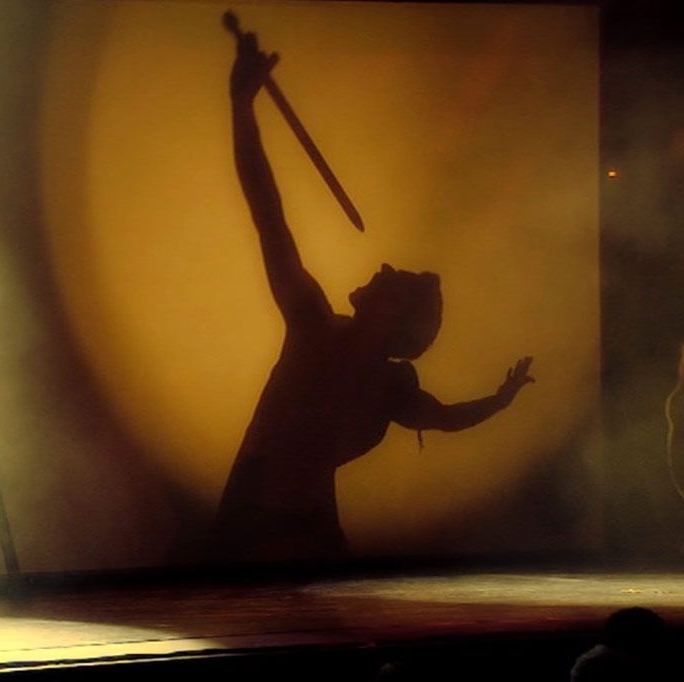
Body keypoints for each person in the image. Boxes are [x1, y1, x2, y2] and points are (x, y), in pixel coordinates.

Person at [213, 34, 535, 561]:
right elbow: (266, 210)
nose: (383, 267)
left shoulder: (357, 360)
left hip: (289, 526)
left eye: (395, 278)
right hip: (263, 523)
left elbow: (447, 418)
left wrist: (501, 400)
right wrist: (241, 108)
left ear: (395, 314)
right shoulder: (320, 329)